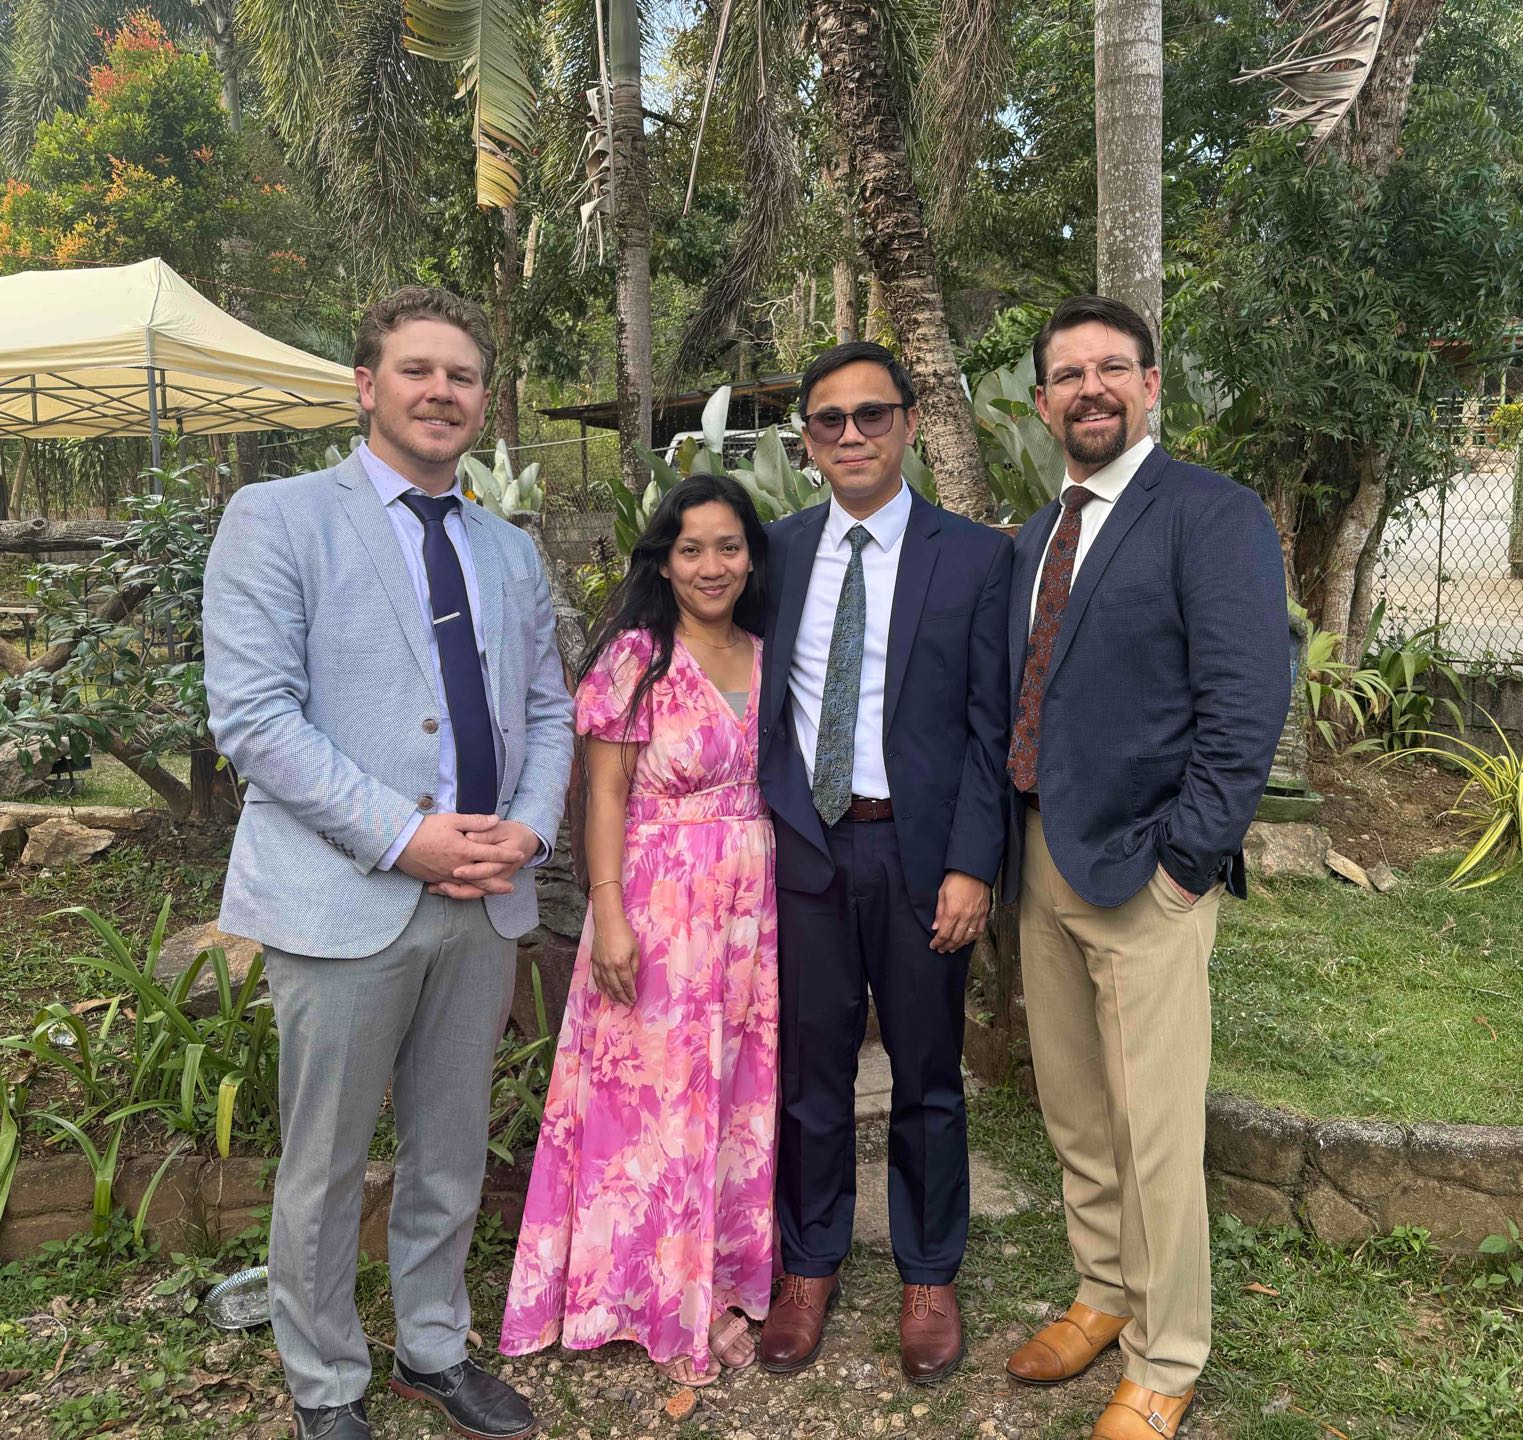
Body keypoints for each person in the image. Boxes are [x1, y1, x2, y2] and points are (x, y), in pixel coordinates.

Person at [204, 286, 573, 1440]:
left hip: (485, 895)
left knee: (450, 1145)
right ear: (367, 386)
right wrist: (405, 836)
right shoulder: (278, 519)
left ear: (483, 400)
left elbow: (549, 708)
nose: (440, 392)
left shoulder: (509, 551)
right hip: (346, 894)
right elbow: (256, 718)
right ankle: (325, 1383)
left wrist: (530, 827)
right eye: (418, 370)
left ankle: (431, 1347)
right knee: (323, 1163)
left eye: (461, 376)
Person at [1001, 295, 1289, 1440]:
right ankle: (1105, 1292)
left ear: (1152, 385)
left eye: (1113, 367)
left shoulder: (1209, 514)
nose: (1092, 389)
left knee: (1154, 1130)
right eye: (1069, 374)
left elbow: (1246, 705)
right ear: (1042, 403)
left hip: (1146, 876)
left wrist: (1186, 864)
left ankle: (1166, 1359)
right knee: (1077, 1113)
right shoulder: (1038, 534)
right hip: (1042, 860)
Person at [758, 341, 1013, 1384]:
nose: (853, 434)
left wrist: (973, 865)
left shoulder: (975, 557)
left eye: (872, 414)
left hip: (920, 853)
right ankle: (809, 1263)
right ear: (808, 439)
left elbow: (991, 727)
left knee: (926, 1072)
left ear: (908, 422)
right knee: (809, 1072)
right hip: (805, 850)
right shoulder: (773, 553)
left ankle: (928, 1272)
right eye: (831, 419)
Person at [499, 474, 778, 1387]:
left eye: (728, 546)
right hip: (657, 905)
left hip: (749, 911)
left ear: (752, 557)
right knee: (650, 1102)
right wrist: (609, 915)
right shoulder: (636, 659)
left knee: (732, 1089)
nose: (711, 565)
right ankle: (642, 1294)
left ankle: (718, 1278)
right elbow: (605, 797)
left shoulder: (766, 651)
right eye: (691, 549)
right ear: (663, 561)